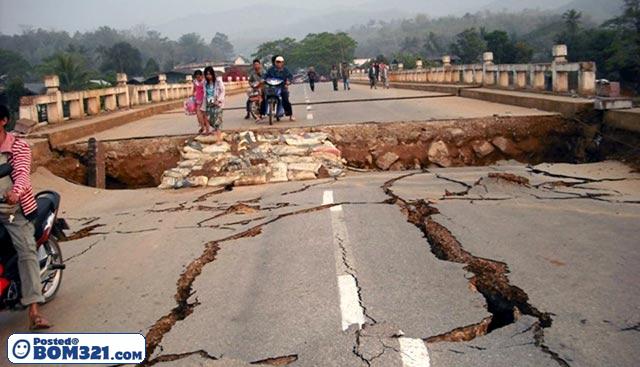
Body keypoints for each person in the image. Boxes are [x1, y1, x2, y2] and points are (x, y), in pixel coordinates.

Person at [0, 105, 50, 330]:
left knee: (26, 251)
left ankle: (34, 311)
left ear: (3, 121)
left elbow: (21, 175)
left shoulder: (17, 146)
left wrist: (14, 194)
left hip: (14, 210)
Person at [265, 55, 295, 121]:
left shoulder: (285, 70)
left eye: (280, 62)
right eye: (277, 62)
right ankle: (261, 114)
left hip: (282, 87)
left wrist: (288, 82)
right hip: (272, 87)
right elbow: (265, 76)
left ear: (282, 63)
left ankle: (290, 115)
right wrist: (263, 80)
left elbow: (290, 77)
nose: (278, 63)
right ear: (275, 62)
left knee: (285, 99)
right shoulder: (271, 69)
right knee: (265, 97)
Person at [201, 66, 225, 141]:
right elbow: (205, 94)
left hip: (217, 103)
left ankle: (219, 139)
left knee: (218, 121)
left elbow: (223, 91)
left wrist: (218, 100)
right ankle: (215, 131)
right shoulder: (205, 83)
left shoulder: (218, 81)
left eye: (209, 74)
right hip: (209, 103)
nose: (208, 76)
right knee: (210, 119)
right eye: (207, 74)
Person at [191, 70, 207, 134]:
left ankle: (205, 127)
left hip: (205, 98)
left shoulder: (205, 81)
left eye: (199, 77)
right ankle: (203, 127)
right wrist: (192, 94)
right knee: (198, 113)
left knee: (204, 114)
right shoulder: (195, 82)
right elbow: (194, 89)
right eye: (197, 77)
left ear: (202, 76)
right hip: (198, 99)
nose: (198, 78)